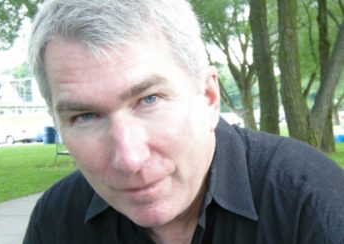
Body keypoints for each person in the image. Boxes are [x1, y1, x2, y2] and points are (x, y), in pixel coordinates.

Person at [24, 0, 344, 243]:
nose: (129, 159)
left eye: (149, 99)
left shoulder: (313, 207)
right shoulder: (56, 220)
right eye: (85, 116)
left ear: (207, 97)